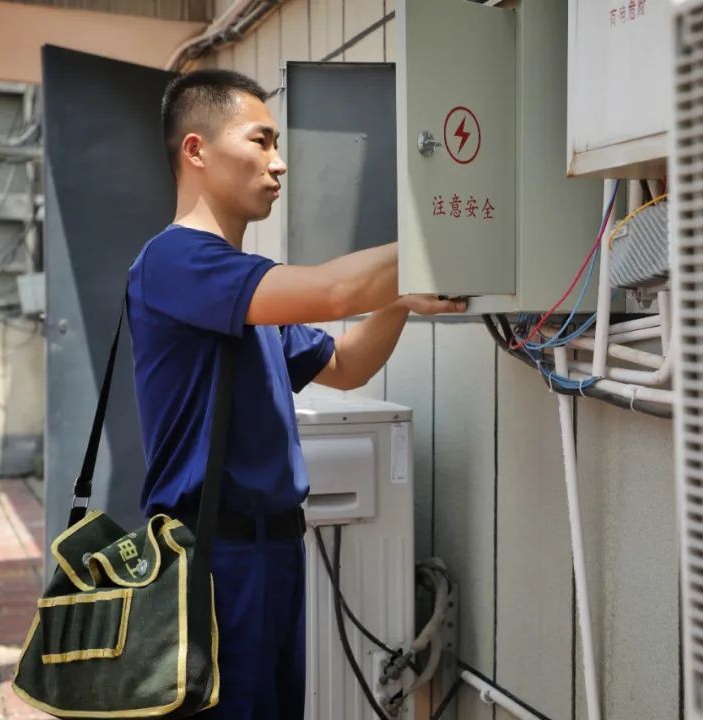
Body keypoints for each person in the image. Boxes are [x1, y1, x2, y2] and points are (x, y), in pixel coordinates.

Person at [125, 68, 463, 719]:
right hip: (217, 559)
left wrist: (400, 300)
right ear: (196, 150)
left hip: (273, 551)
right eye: (260, 141)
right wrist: (436, 236)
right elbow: (335, 291)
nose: (278, 163)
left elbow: (345, 363)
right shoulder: (175, 262)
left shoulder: (246, 293)